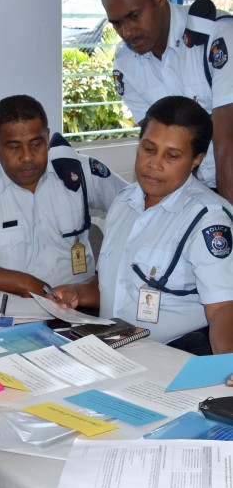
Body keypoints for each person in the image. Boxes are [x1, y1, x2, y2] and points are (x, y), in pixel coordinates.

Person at [51, 96, 233, 355]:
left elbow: (224, 308)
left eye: (172, 156)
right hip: (109, 351)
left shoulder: (208, 219)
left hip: (172, 358)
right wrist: (77, 291)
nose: (154, 164)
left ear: (196, 160)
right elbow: (115, 284)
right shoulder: (124, 202)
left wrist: (227, 366)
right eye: (148, 149)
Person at [0, 95, 127, 296]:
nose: (27, 156)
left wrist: (112, 271)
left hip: (81, 307)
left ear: (47, 137)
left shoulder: (77, 170)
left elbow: (138, 205)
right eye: (14, 147)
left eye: (36, 144)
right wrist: (22, 283)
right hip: (18, 311)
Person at [101, 0, 233, 204]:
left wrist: (228, 220)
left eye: (134, 16)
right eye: (117, 23)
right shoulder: (125, 64)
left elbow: (227, 141)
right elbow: (155, 145)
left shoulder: (217, 37)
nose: (127, 32)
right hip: (191, 190)